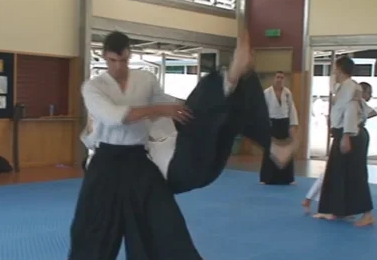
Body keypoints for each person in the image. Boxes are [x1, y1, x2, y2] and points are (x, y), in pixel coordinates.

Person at [53, 31, 257, 260]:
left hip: (137, 159)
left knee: (165, 218)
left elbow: (170, 105)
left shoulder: (145, 80)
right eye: (112, 60)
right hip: (106, 161)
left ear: (129, 55)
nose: (118, 66)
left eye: (123, 60)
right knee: (89, 222)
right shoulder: (93, 87)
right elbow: (116, 116)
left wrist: (185, 107)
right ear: (104, 57)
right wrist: (161, 108)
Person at [82, 69, 271, 195]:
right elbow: (114, 122)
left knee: (230, 113)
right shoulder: (105, 138)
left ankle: (273, 143)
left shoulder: (144, 104)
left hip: (203, 170)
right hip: (177, 169)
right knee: (206, 98)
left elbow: (173, 106)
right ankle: (229, 76)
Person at [314, 57, 375, 227]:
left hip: (351, 134)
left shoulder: (351, 87)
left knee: (356, 174)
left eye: (335, 69)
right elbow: (334, 88)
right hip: (344, 133)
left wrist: (347, 135)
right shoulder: (343, 87)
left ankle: (367, 214)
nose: (333, 71)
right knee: (337, 173)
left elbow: (351, 111)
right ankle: (337, 210)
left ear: (340, 69)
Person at [302, 81, 377, 215]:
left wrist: (360, 117)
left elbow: (372, 113)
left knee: (343, 174)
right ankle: (312, 201)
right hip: (346, 136)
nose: (370, 95)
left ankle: (338, 208)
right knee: (333, 173)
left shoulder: (358, 103)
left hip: (353, 136)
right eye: (368, 92)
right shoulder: (348, 101)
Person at [259, 71, 299, 185]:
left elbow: (292, 109)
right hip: (271, 123)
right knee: (270, 150)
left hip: (284, 123)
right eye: (277, 77)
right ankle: (266, 178)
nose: (279, 79)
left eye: (281, 77)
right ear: (274, 78)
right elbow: (263, 110)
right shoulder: (266, 92)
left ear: (284, 79)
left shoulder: (287, 93)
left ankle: (288, 178)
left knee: (286, 150)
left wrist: (293, 125)